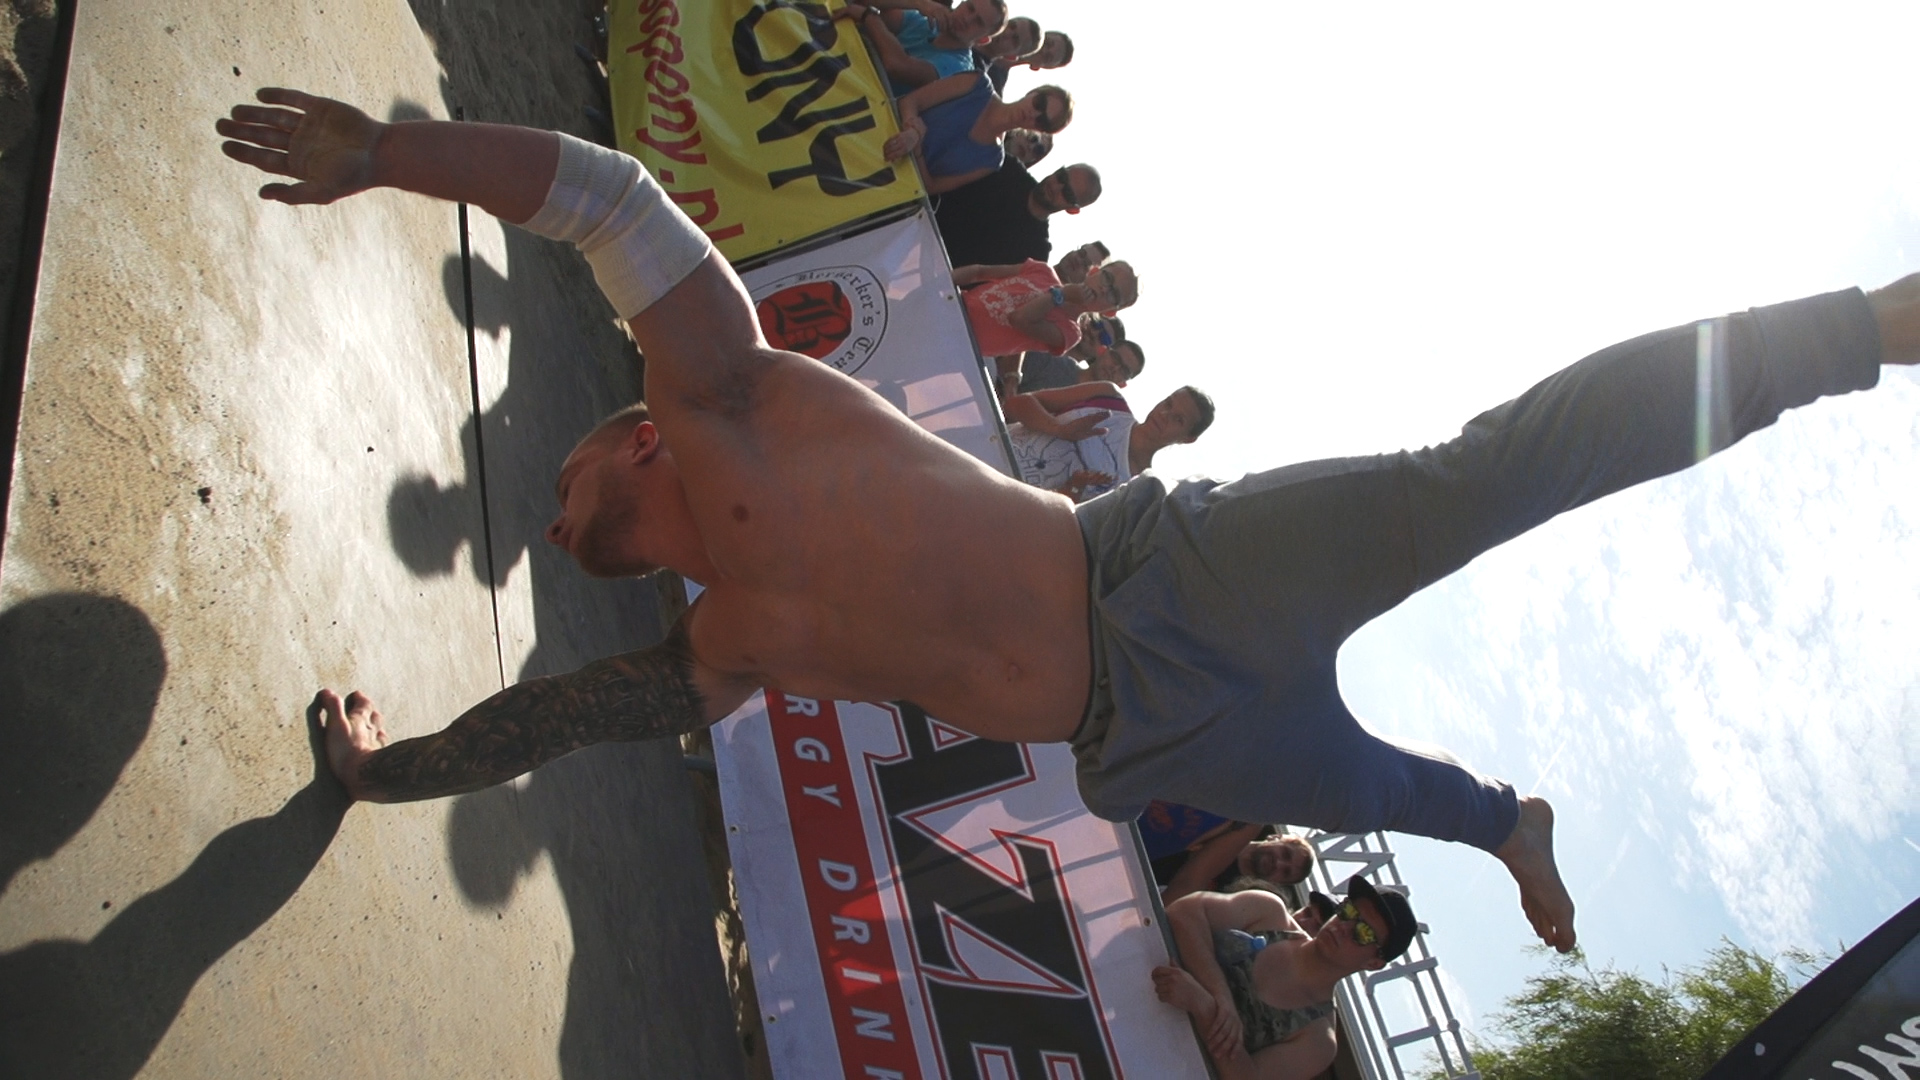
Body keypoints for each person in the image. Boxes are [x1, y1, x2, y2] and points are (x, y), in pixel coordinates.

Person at [219, 88, 1920, 956]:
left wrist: (391, 154)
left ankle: (1861, 332)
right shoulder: (721, 646)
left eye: (575, 500)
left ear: (628, 441)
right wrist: (379, 773)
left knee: (1476, 479)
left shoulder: (725, 396)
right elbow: (545, 727)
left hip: (1171, 576)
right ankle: (1505, 818)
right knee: (1385, 793)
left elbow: (611, 197)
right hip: (1158, 729)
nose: (569, 526)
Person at [1154, 878, 1414, 1079]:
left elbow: (1247, 1077)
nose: (1344, 927)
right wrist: (1221, 996)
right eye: (1348, 911)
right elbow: (1184, 911)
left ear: (1373, 963)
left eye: (1364, 932)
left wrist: (1204, 1006)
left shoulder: (1318, 1040)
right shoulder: (1269, 912)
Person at [1005, 384, 1206, 504]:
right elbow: (1015, 404)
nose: (1164, 414)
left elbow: (1064, 524)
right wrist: (1057, 428)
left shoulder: (1136, 490)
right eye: (1168, 403)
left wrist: (1074, 488)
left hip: (1008, 508)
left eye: (1178, 419)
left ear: (1188, 439)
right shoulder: (1109, 397)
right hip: (989, 447)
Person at [884, 74, 1071, 194]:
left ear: (1040, 130)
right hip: (879, 128)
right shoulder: (978, 85)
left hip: (887, 184)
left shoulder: (992, 160)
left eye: (1042, 121)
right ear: (1033, 92)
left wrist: (916, 149)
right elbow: (911, 101)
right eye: (1039, 103)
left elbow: (931, 187)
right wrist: (911, 131)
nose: (1034, 114)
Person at [952, 257, 1134, 358]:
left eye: (1114, 294)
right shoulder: (1042, 271)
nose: (1104, 289)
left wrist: (1061, 295)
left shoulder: (1070, 333)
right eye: (1107, 278)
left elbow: (1019, 319)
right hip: (952, 305)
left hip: (961, 347)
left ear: (1110, 311)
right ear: (1094, 271)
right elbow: (979, 272)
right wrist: (941, 284)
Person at [934, 159, 1101, 266]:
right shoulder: (1005, 167)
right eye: (1062, 177)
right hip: (921, 215)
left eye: (1067, 193)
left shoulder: (1035, 254)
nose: (1056, 187)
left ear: (1072, 209)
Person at [1140, 799, 1314, 901]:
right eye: (1285, 853)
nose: (1279, 863)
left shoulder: (1230, 897)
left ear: (1278, 882)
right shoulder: (1240, 819)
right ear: (1276, 837)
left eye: (1285, 872)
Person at [841, 0, 1004, 92]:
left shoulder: (959, 69)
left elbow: (897, 66)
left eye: (978, 21)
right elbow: (860, 2)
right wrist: (918, 3)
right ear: (961, 4)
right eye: (970, 8)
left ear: (983, 40)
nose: (967, 19)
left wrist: (869, 17)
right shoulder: (923, 22)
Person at [1013, 315, 1139, 393]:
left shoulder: (1093, 410)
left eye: (1104, 338)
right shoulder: (1045, 346)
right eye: (1096, 324)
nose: (1094, 333)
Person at [973, 15, 1042, 93]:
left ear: (1011, 57)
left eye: (1015, 40)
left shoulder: (978, 82)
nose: (1007, 33)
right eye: (1011, 26)